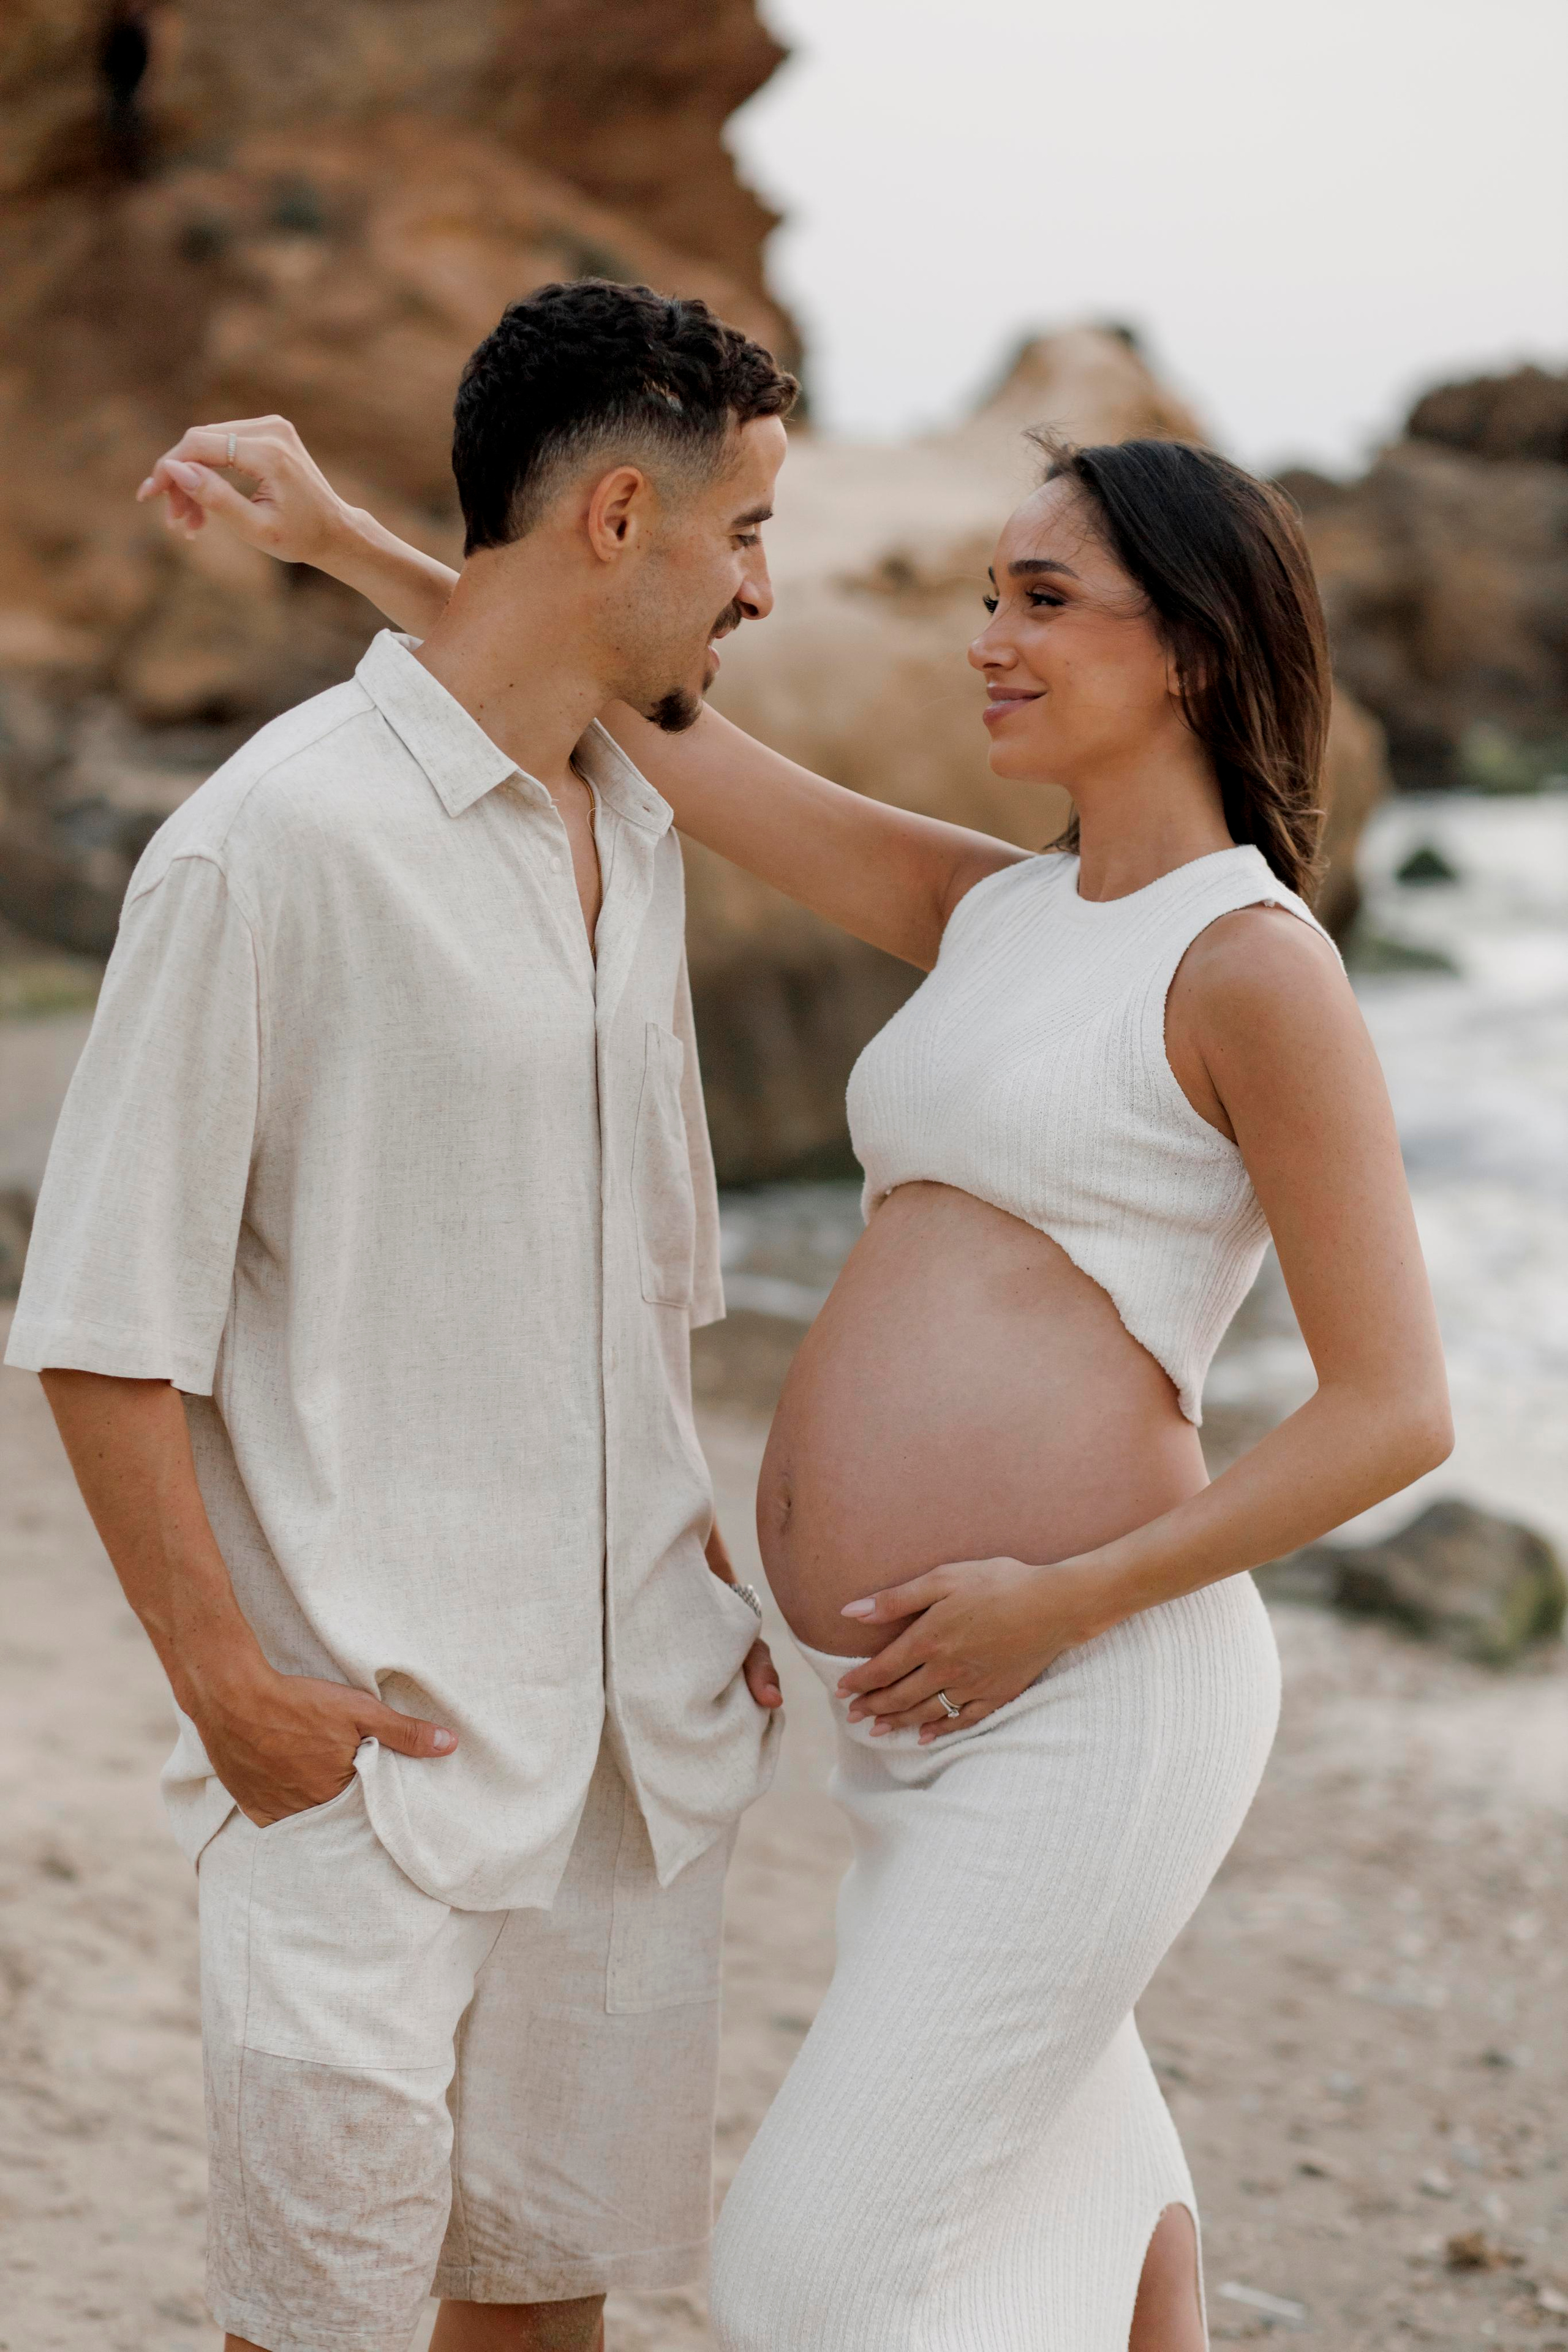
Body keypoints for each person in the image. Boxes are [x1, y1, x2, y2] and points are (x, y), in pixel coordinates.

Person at [141, 399, 1453, 2351]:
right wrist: (349, 543)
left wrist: (1056, 1605)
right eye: (988, 594)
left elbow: (1397, 1412)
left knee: (809, 2286)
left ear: (1189, 641)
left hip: (1089, 1692)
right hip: (919, 1707)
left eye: (1043, 599)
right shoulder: (995, 911)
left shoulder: (1252, 963)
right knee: (1068, 2183)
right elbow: (656, 720)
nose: (988, 638)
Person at [7, 281, 802, 2352]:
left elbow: (645, 1272)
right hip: (363, 1749)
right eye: (746, 538)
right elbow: (99, 1318)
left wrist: (696, 1569)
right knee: (329, 2327)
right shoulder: (272, 844)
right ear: (620, 522)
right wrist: (228, 1693)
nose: (766, 596)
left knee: (543, 2311)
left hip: (635, 1755)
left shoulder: (632, 825)